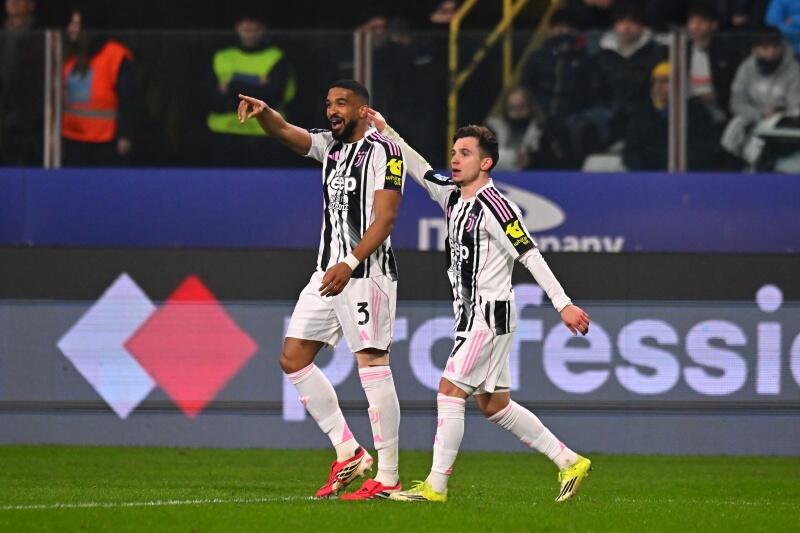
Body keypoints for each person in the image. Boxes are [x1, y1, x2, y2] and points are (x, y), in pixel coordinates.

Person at [367, 109, 592, 503]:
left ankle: (435, 487)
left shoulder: (497, 207)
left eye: (465, 153)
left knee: (449, 391)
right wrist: (389, 132)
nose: (455, 159)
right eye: (454, 152)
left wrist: (563, 304)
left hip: (489, 315)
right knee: (494, 404)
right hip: (472, 316)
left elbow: (530, 254)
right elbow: (420, 170)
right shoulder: (453, 196)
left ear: (486, 163)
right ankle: (569, 461)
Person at [237, 80, 405, 500]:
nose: (332, 110)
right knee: (293, 358)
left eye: (341, 103)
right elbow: (285, 131)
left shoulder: (386, 151)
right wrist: (264, 112)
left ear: (363, 110)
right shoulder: (329, 146)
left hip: (365, 274)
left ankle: (389, 476)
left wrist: (350, 263)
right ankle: (349, 451)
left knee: (372, 364)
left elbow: (385, 220)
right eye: (329, 103)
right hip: (327, 273)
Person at [205, 13, 296, 166]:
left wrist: (231, 87)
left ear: (263, 28)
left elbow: (274, 96)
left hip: (265, 136)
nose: (249, 28)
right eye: (245, 23)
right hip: (223, 134)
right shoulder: (222, 57)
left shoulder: (276, 57)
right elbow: (209, 97)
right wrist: (257, 86)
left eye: (254, 23)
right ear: (237, 27)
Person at [62, 7, 135, 166]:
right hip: (71, 140)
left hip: (105, 142)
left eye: (77, 24)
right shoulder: (66, 54)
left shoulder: (115, 55)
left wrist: (125, 134)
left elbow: (128, 99)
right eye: (71, 24)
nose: (71, 29)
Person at [721, 29, 800, 163]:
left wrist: (779, 112)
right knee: (735, 134)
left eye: (775, 47)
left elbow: (796, 106)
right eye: (766, 48)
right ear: (755, 50)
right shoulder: (746, 68)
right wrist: (760, 113)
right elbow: (736, 102)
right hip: (752, 120)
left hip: (782, 128)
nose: (771, 53)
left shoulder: (794, 70)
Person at [623, 62, 717, 170]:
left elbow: (704, 149)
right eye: (655, 81)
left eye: (664, 81)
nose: (658, 86)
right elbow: (631, 152)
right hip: (650, 176)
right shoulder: (641, 113)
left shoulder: (696, 113)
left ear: (679, 83)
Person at [0, 0, 43, 166]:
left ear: (31, 4)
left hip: (29, 125)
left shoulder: (41, 37)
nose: (14, 2)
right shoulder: (3, 36)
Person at [485, 87, 542, 171]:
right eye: (512, 108)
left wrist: (530, 159)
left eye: (522, 107)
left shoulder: (541, 133)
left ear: (530, 108)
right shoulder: (492, 130)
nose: (517, 113)